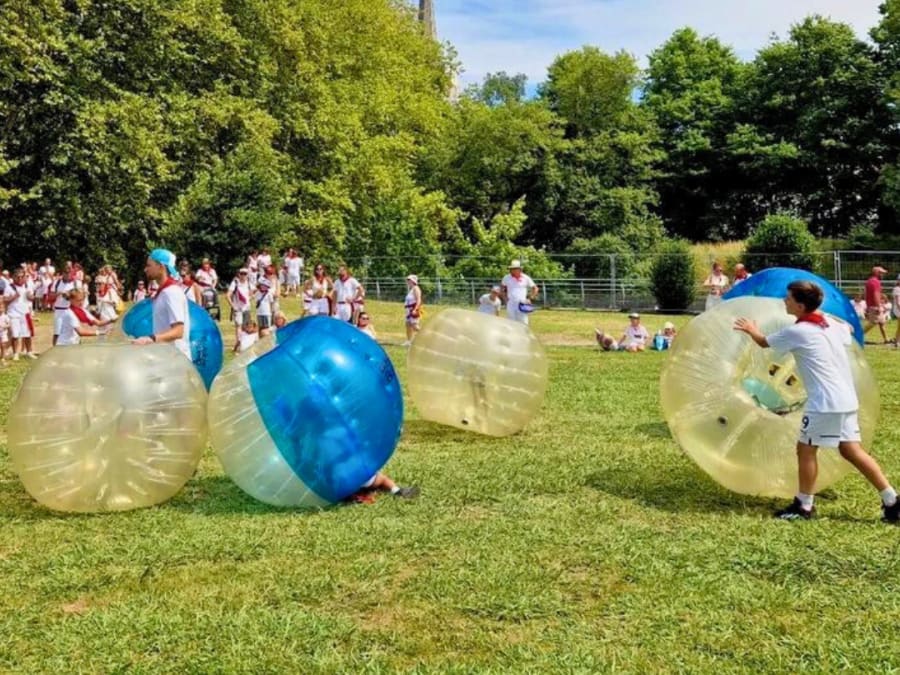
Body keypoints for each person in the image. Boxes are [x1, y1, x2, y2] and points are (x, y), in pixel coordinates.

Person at [734, 280, 900, 522]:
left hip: (825, 403)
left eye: (789, 298)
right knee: (851, 450)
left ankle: (804, 505)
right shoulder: (831, 325)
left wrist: (751, 328)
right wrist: (827, 317)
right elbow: (850, 332)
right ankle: (892, 500)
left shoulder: (798, 331)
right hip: (846, 398)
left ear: (801, 306)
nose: (784, 301)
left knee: (806, 449)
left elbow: (764, 342)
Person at [131, 249, 191, 360]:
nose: (145, 269)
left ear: (161, 266)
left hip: (177, 361)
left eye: (149, 265)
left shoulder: (172, 292)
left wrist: (150, 339)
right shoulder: (163, 293)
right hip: (166, 359)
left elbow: (178, 331)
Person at [5, 268, 37, 360]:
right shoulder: (9, 287)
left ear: (24, 277)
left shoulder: (27, 286)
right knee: (15, 335)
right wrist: (14, 297)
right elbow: (5, 300)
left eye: (21, 277)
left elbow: (32, 297)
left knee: (27, 334)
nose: (19, 279)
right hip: (14, 314)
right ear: (14, 277)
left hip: (25, 313)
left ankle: (29, 352)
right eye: (17, 277)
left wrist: (30, 297)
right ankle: (15, 354)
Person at [52, 267, 83, 346]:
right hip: (59, 310)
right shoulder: (57, 282)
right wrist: (59, 293)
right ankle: (55, 351)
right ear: (63, 274)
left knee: (75, 330)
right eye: (65, 273)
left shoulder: (75, 283)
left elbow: (80, 296)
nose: (67, 275)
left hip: (71, 309)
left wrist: (69, 295)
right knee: (57, 332)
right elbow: (50, 296)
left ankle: (77, 346)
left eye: (69, 273)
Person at [501, 260, 538, 324]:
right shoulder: (506, 277)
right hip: (511, 303)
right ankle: (513, 334)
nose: (511, 270)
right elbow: (502, 288)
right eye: (511, 269)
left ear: (519, 269)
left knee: (523, 323)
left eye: (514, 268)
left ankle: (523, 334)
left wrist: (530, 299)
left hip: (522, 303)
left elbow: (535, 288)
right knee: (511, 322)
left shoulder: (526, 277)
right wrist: (505, 299)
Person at [863, 265, 889, 344]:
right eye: (882, 273)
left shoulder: (869, 281)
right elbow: (876, 294)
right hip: (875, 306)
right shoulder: (876, 282)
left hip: (871, 305)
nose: (883, 275)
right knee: (872, 323)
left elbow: (866, 294)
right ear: (877, 273)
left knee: (882, 323)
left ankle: (886, 339)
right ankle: (858, 335)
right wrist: (879, 306)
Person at [228, 268, 252, 342]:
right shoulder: (235, 283)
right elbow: (228, 295)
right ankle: (238, 343)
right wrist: (232, 306)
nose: (243, 275)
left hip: (246, 308)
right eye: (242, 273)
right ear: (239, 274)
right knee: (239, 326)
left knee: (246, 326)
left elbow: (253, 291)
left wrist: (249, 298)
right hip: (238, 309)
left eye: (245, 274)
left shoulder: (248, 283)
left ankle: (245, 342)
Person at [403, 274, 423, 346]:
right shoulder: (411, 289)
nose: (407, 281)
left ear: (413, 281)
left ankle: (425, 335)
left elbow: (418, 300)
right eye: (407, 280)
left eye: (409, 280)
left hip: (413, 309)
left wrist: (415, 309)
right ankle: (409, 341)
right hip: (409, 309)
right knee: (408, 325)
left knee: (414, 326)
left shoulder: (416, 288)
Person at [0, 300, 10, 364]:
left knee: (3, 345)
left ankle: (3, 357)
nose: (0, 309)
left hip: (3, 333)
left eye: (2, 308)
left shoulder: (5, 316)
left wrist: (5, 326)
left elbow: (9, 324)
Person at [893, 275, 900, 347]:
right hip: (898, 309)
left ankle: (897, 340)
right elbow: (898, 302)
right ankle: (897, 341)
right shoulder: (897, 289)